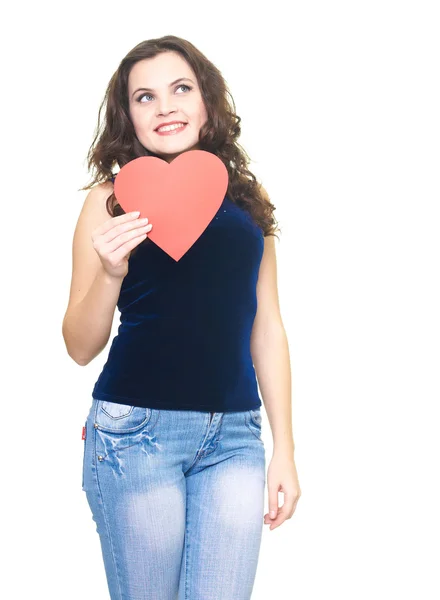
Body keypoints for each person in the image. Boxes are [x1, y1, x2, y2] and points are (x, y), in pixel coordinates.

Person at [62, 35, 301, 600]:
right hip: (135, 435)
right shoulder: (109, 199)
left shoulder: (248, 202)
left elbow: (267, 325)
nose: (165, 106)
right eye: (144, 97)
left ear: (207, 102)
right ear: (130, 117)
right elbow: (78, 343)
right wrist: (111, 273)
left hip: (236, 439)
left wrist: (285, 447)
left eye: (180, 88)